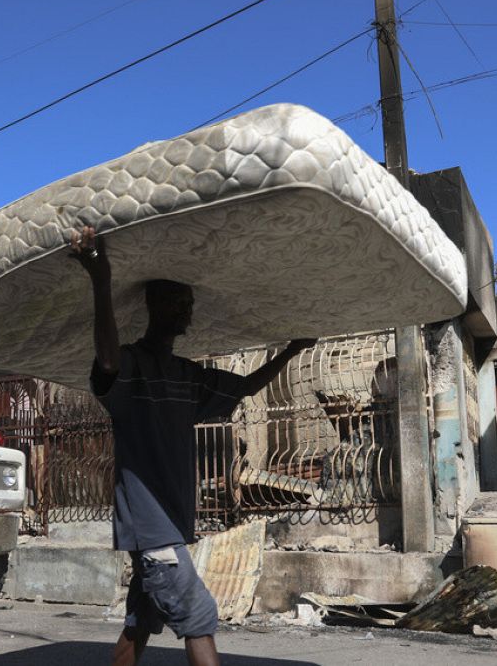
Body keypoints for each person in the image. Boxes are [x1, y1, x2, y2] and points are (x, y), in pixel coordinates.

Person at [70, 225, 315, 666]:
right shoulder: (131, 368)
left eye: (188, 303)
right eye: (176, 302)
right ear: (152, 305)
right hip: (151, 527)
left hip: (171, 525)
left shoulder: (187, 376)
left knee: (140, 620)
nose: (186, 310)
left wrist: (292, 351)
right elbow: (106, 360)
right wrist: (100, 277)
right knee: (199, 614)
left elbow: (245, 387)